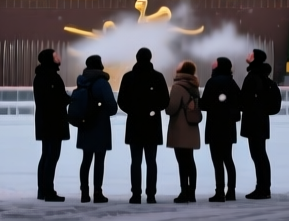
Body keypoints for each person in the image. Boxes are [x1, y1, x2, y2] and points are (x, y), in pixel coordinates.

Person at [117, 47, 170, 204]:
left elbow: (121, 100)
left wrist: (133, 111)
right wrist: (152, 110)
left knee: (135, 161)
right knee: (151, 161)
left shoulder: (128, 77)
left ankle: (136, 194)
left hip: (134, 123)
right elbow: (165, 101)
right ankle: (151, 194)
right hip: (152, 124)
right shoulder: (158, 77)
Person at [75, 54, 118, 203]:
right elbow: (112, 106)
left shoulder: (82, 81)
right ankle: (98, 192)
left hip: (85, 125)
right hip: (100, 126)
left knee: (86, 159)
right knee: (99, 160)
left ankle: (84, 192)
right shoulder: (102, 83)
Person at [240, 48, 279, 200]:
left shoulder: (254, 76)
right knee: (260, 154)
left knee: (258, 155)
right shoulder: (261, 75)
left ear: (255, 58)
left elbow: (246, 100)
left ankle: (262, 188)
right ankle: (264, 187)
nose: (248, 54)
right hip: (260, 121)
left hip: (254, 122)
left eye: (251, 54)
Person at [32, 48, 70, 201]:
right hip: (53, 122)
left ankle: (43, 190)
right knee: (52, 156)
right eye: (55, 56)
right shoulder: (50, 77)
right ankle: (48, 191)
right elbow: (55, 99)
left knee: (46, 155)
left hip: (45, 122)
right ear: (49, 59)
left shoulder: (42, 76)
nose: (58, 57)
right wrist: (71, 99)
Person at [201, 56, 241, 202]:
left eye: (215, 62)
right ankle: (231, 191)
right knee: (228, 159)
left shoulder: (212, 82)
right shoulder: (232, 83)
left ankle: (219, 191)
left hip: (214, 126)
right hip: (228, 127)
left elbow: (204, 104)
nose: (212, 63)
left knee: (217, 161)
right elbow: (239, 101)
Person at [166, 59, 202, 203]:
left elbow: (171, 108)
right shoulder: (194, 86)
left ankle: (184, 192)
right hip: (192, 127)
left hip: (180, 129)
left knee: (182, 161)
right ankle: (191, 192)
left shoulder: (178, 87)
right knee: (190, 160)